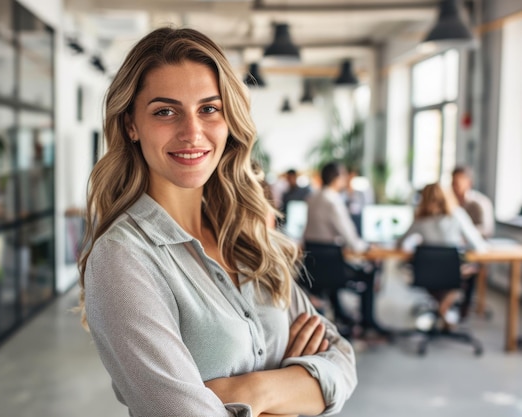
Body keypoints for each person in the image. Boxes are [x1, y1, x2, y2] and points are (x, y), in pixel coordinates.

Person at [77, 27, 356, 417]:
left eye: (209, 109)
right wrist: (295, 392)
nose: (192, 132)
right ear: (130, 125)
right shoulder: (121, 258)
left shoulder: (248, 234)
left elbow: (341, 360)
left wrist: (251, 391)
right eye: (165, 111)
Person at [302, 161, 386, 337]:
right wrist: (368, 246)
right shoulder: (334, 201)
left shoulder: (312, 198)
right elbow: (352, 241)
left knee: (331, 279)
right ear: (338, 178)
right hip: (332, 267)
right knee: (369, 273)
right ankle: (367, 323)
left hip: (313, 265)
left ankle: (342, 316)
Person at [397, 183, 488, 325]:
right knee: (472, 269)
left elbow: (400, 243)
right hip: (454, 273)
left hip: (426, 273)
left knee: (437, 278)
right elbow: (478, 246)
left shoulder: (420, 219)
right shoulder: (457, 215)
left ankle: (442, 308)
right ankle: (445, 309)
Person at [451, 165, 495, 238]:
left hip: (476, 245)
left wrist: (465, 232)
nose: (454, 187)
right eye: (453, 183)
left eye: (457, 184)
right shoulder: (450, 202)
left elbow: (486, 230)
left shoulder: (481, 203)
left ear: (469, 183)